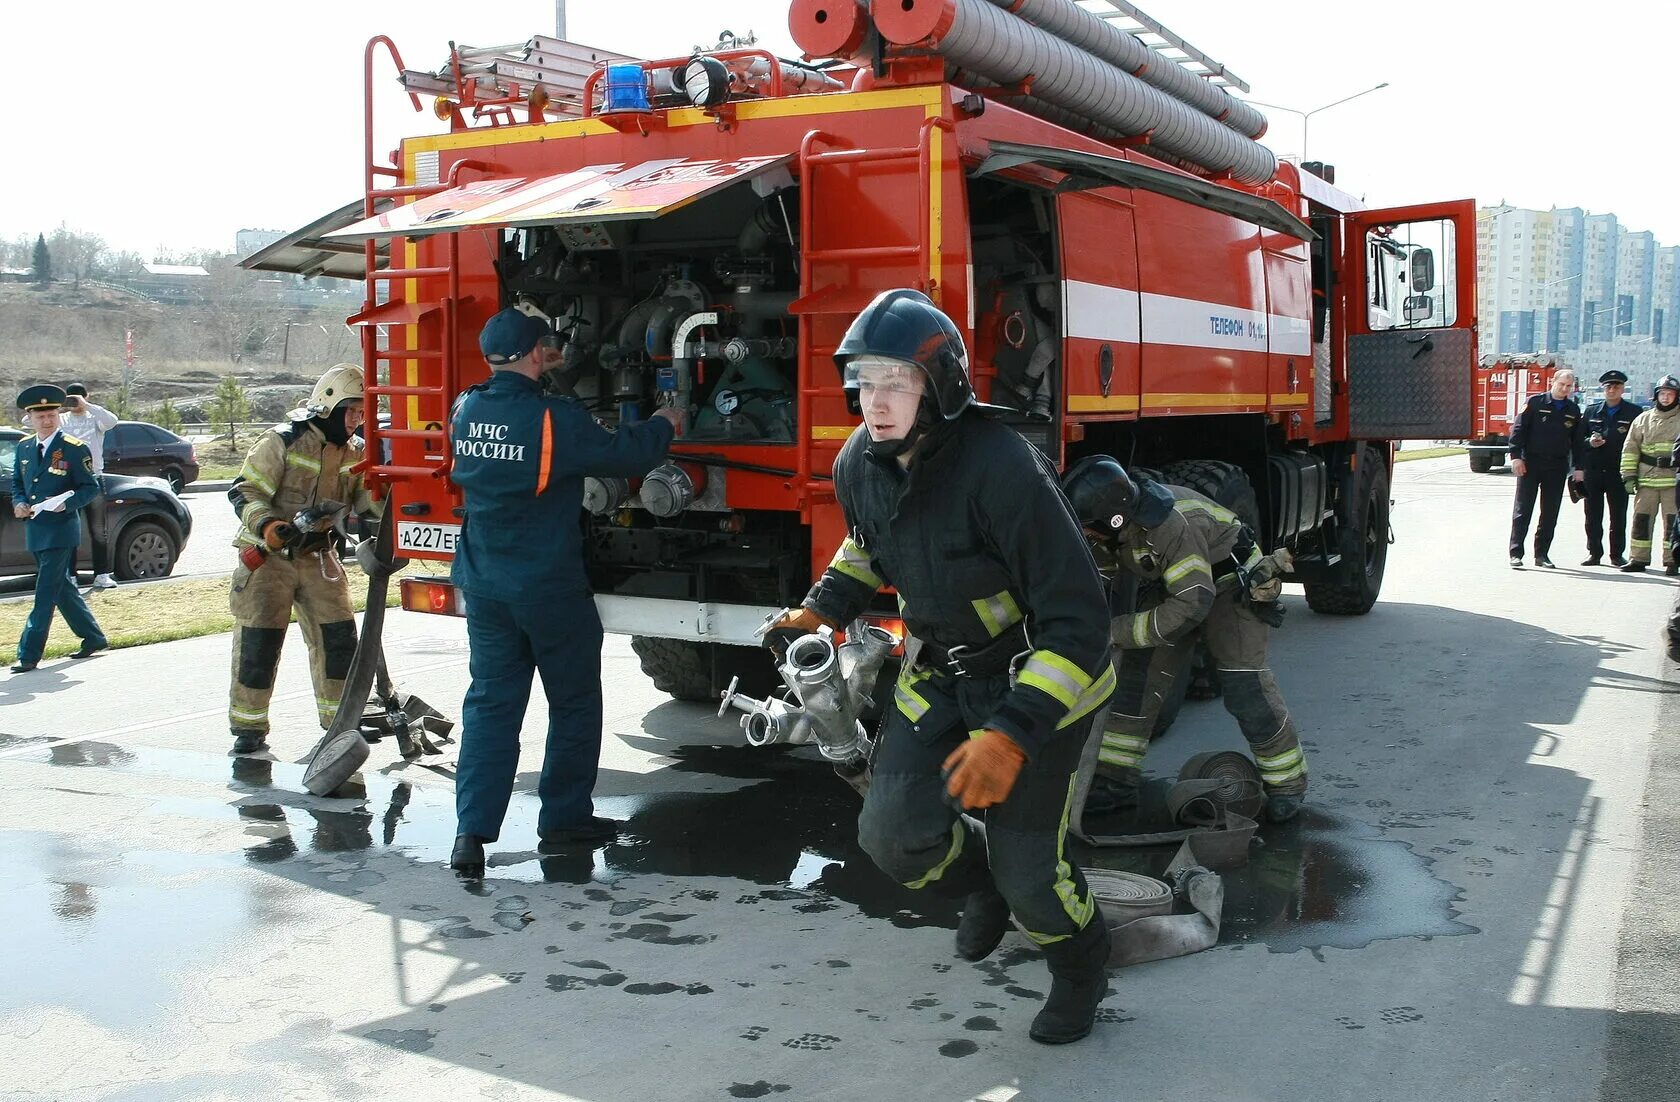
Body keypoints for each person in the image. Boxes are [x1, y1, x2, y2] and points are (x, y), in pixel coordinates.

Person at [765, 289, 1116, 1044]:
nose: (876, 401)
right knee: (892, 835)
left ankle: (1083, 963)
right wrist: (821, 607)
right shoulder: (858, 461)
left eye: (897, 381)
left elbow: (1080, 622)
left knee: (1035, 877)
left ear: (940, 386)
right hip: (942, 671)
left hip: (1041, 682)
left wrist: (1012, 734)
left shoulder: (1002, 468)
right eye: (865, 381)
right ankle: (980, 884)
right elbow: (868, 546)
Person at [448, 307, 683, 877]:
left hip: (484, 586)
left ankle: (470, 836)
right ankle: (563, 819)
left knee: (491, 705)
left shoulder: (467, 407)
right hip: (548, 588)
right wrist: (666, 421)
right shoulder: (553, 419)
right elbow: (627, 455)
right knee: (573, 702)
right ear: (536, 352)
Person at [1062, 457, 1306, 824]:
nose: (1086, 534)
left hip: (1230, 587)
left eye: (1088, 528)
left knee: (1244, 685)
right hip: (1172, 588)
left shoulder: (1171, 526)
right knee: (1135, 685)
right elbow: (1101, 582)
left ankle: (1287, 783)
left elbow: (1192, 605)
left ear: (1113, 519)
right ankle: (1114, 783)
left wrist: (1119, 631)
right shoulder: (1111, 528)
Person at [226, 364, 379, 753]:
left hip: (319, 556)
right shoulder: (283, 441)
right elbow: (244, 491)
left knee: (339, 639)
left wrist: (390, 523)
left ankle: (340, 723)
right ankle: (248, 728)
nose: (357, 420)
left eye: (362, 412)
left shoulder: (357, 451)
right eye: (352, 411)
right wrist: (267, 526)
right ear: (328, 407)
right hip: (268, 559)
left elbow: (369, 505)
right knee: (259, 642)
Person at [10, 385, 107, 673]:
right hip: (36, 528)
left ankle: (28, 653)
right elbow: (18, 484)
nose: (47, 420)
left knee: (44, 591)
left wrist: (67, 504)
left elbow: (90, 488)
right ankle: (93, 637)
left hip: (61, 529)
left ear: (59, 416)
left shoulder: (74, 448)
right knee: (61, 588)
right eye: (40, 416)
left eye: (52, 415)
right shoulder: (25, 447)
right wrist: (18, 503)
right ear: (30, 418)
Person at [1507, 368, 1584, 569]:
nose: (1565, 388)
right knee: (1523, 510)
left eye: (1569, 386)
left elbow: (1577, 443)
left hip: (1557, 466)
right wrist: (1516, 457)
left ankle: (1542, 554)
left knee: (1550, 512)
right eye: (1561, 384)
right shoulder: (1535, 403)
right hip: (1530, 463)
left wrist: (1578, 467)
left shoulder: (1573, 410)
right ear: (1553, 382)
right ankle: (1516, 553)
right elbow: (1518, 431)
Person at [57, 383, 120, 588]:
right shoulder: (62, 419)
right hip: (68, 479)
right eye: (71, 398)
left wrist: (87, 405)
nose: (74, 402)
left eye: (77, 398)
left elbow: (112, 421)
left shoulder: (94, 419)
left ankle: (101, 574)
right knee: (70, 529)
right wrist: (58, 405)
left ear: (86, 396)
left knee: (98, 529)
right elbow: (27, 421)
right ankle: (71, 576)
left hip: (93, 477)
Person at [1578, 370, 1641, 566]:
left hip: (1618, 471)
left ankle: (1616, 554)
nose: (1612, 390)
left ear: (1622, 389)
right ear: (1603, 389)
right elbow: (1579, 440)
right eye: (1608, 387)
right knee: (1592, 515)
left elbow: (1640, 442)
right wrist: (1590, 442)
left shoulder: (1634, 412)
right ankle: (1594, 553)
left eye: (1616, 386)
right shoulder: (1591, 411)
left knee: (1618, 516)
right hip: (1594, 471)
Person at [1620, 374, 1680, 574]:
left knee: (1672, 523)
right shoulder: (1643, 419)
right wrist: (1628, 475)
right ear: (1656, 395)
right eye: (1662, 393)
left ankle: (1672, 560)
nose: (1665, 398)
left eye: (1670, 394)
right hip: (1647, 480)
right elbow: (1630, 449)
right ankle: (1638, 559)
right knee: (1641, 521)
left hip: (1673, 482)